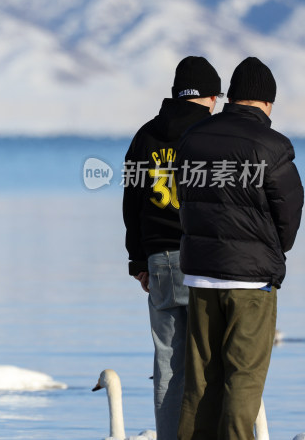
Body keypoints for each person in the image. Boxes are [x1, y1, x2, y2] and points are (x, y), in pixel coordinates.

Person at [176, 57, 303, 440]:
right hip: (251, 283)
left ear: (231, 98)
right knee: (243, 377)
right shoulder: (273, 145)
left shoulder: (193, 138)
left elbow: (184, 199)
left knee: (199, 380)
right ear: (266, 102)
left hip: (200, 275)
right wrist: (270, 252)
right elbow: (290, 211)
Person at [122, 56, 221, 440]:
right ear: (211, 96)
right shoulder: (214, 133)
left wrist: (138, 261)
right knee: (211, 362)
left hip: (161, 261)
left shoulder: (146, 135)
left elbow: (132, 203)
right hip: (206, 260)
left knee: (168, 365)